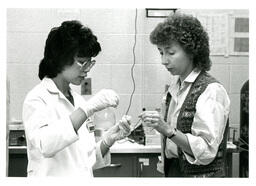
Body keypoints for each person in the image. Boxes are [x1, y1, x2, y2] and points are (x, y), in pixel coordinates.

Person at [22, 20, 131, 177]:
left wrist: (108, 140)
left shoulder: (78, 100)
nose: (87, 70)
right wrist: (87, 109)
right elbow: (45, 145)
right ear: (60, 59)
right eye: (82, 62)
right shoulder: (37, 98)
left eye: (90, 63)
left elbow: (84, 162)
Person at [139, 13, 230, 177]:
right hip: (174, 171)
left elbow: (206, 150)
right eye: (161, 52)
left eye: (170, 52)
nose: (163, 61)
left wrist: (166, 129)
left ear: (191, 51)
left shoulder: (211, 90)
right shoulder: (175, 88)